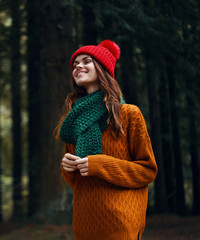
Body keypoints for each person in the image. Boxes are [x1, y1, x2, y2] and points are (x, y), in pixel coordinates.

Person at [55, 40, 158, 240]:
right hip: (84, 225)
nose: (78, 66)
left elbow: (147, 171)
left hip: (120, 224)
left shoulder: (128, 114)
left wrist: (100, 164)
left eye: (86, 61)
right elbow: (75, 180)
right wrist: (67, 168)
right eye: (75, 64)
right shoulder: (74, 120)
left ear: (102, 69)